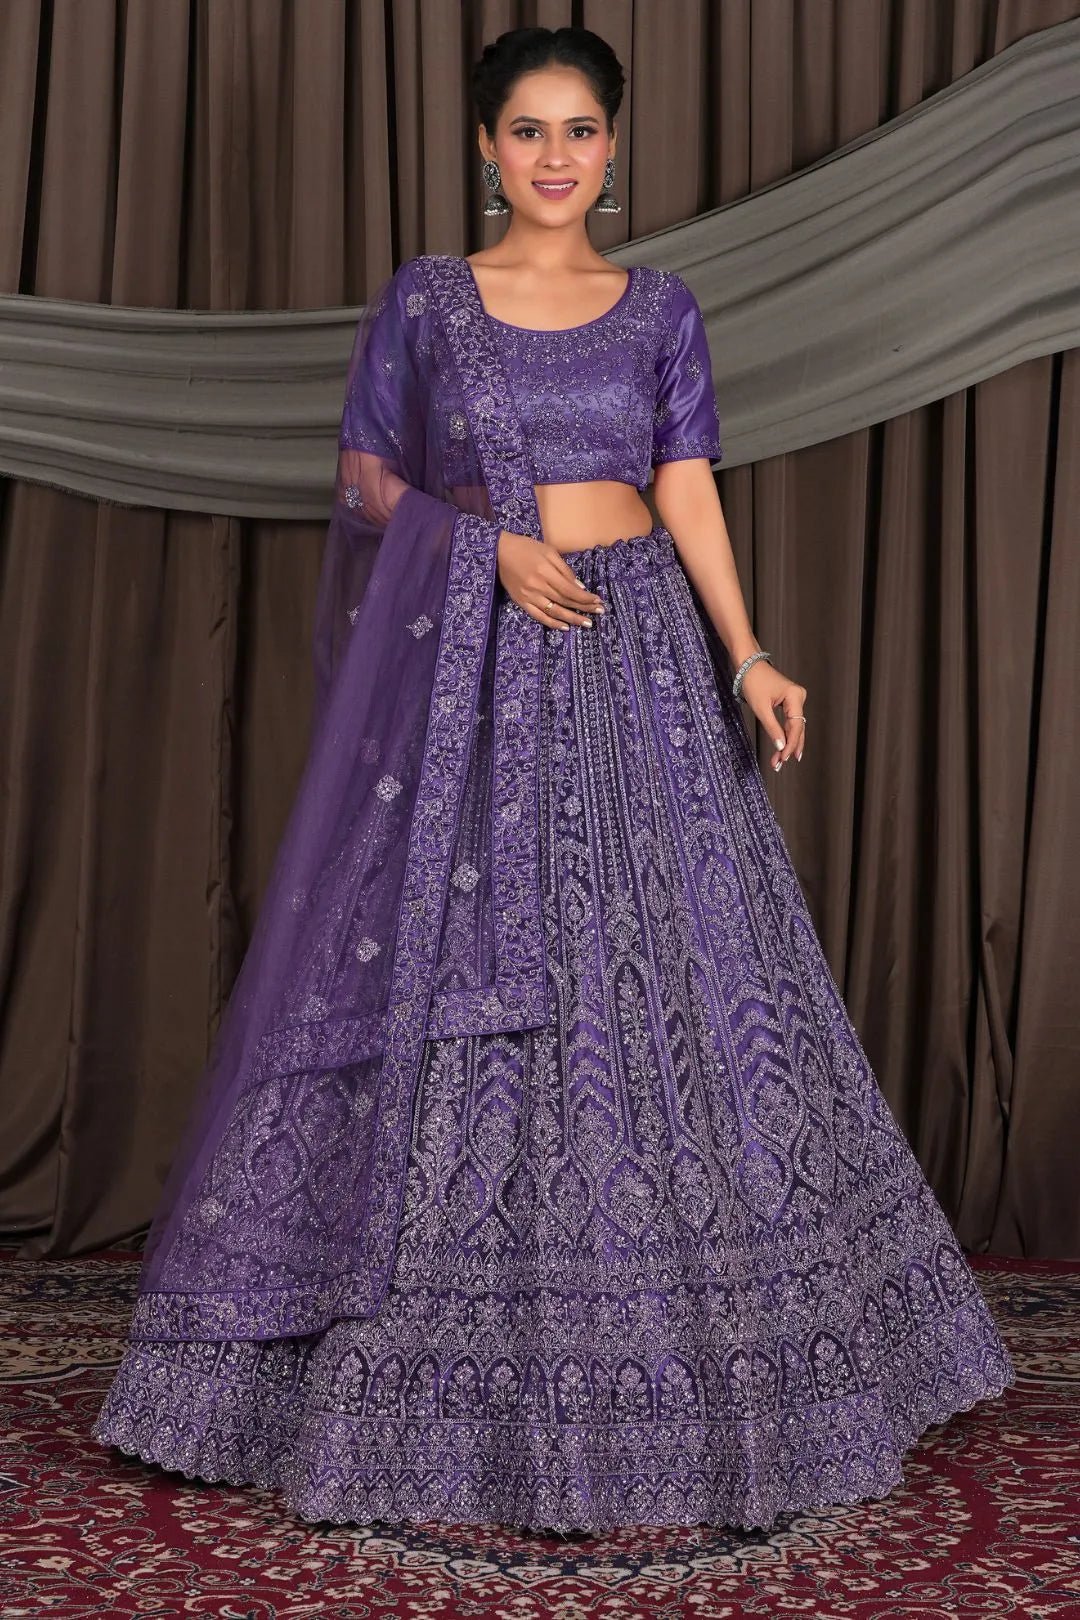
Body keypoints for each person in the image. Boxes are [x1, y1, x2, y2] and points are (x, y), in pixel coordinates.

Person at [93, 25, 1015, 1538]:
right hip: (481, 665)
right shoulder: (430, 302)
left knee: (679, 976)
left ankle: (712, 1359)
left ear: (613, 145)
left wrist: (749, 655)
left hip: (640, 654)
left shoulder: (662, 308)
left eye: (580, 130)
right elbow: (367, 477)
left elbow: (685, 481)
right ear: (485, 145)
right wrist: (484, 546)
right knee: (471, 972)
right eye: (527, 131)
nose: (555, 158)